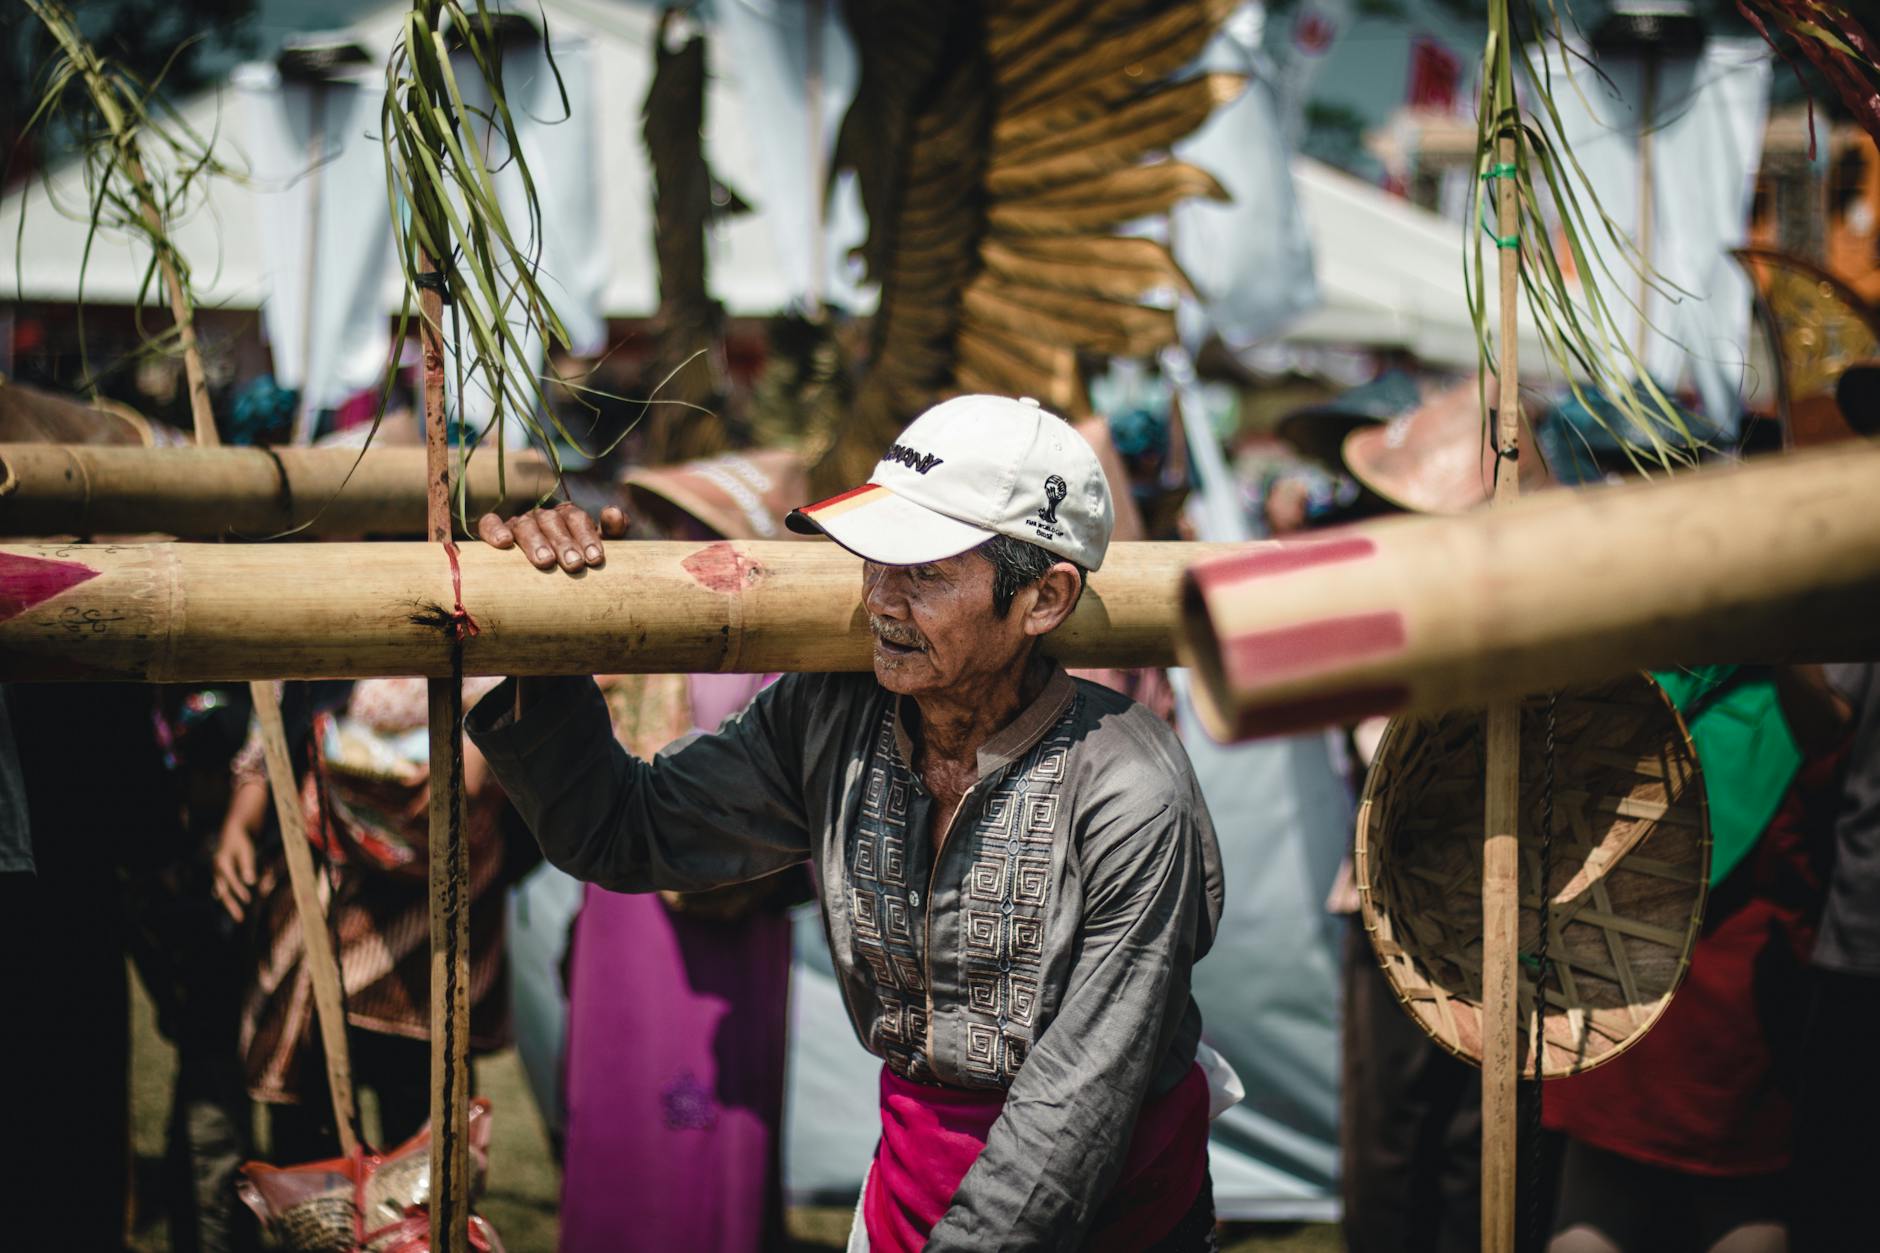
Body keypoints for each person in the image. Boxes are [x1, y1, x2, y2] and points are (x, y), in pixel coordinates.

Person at [470, 395, 1226, 1250]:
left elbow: (1078, 1104)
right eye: (874, 560)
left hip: (1107, 1213)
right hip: (911, 1188)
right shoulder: (831, 716)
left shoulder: (1128, 784)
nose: (881, 600)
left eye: (925, 572)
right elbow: (621, 830)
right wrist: (545, 639)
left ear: (1043, 598)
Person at [213, 677, 513, 1159]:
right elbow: (278, 696)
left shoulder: (494, 604)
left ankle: (420, 1231)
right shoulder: (309, 604)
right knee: (309, 1127)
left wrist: (477, 752)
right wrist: (244, 812)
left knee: (424, 1124)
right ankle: (326, 1225)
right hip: (321, 863)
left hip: (442, 883)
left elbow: (525, 690)